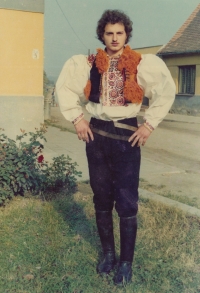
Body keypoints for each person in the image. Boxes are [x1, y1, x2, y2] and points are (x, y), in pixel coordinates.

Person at [56, 10, 175, 285]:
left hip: (127, 138)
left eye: (119, 33)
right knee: (101, 197)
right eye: (109, 33)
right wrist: (77, 120)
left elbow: (165, 91)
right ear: (102, 35)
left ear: (126, 35)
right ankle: (108, 255)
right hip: (97, 136)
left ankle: (125, 264)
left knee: (126, 200)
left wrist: (148, 125)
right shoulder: (88, 63)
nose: (114, 38)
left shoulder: (141, 63)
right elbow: (64, 89)